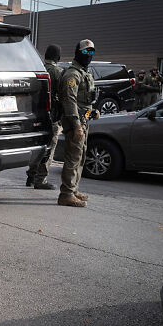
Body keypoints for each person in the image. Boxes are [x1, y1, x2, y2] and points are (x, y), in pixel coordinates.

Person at [58, 40, 99, 207]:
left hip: (83, 120)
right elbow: (69, 102)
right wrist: (76, 126)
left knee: (80, 155)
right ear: (78, 53)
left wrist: (92, 112)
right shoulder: (72, 75)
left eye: (91, 52)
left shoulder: (84, 73)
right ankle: (66, 194)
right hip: (75, 122)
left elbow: (85, 103)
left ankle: (73, 189)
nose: (89, 55)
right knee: (73, 157)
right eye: (85, 52)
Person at [26, 44, 63, 189]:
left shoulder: (37, 67)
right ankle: (40, 179)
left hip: (35, 114)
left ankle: (31, 176)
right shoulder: (57, 72)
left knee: (37, 146)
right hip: (52, 116)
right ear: (58, 57)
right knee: (49, 147)